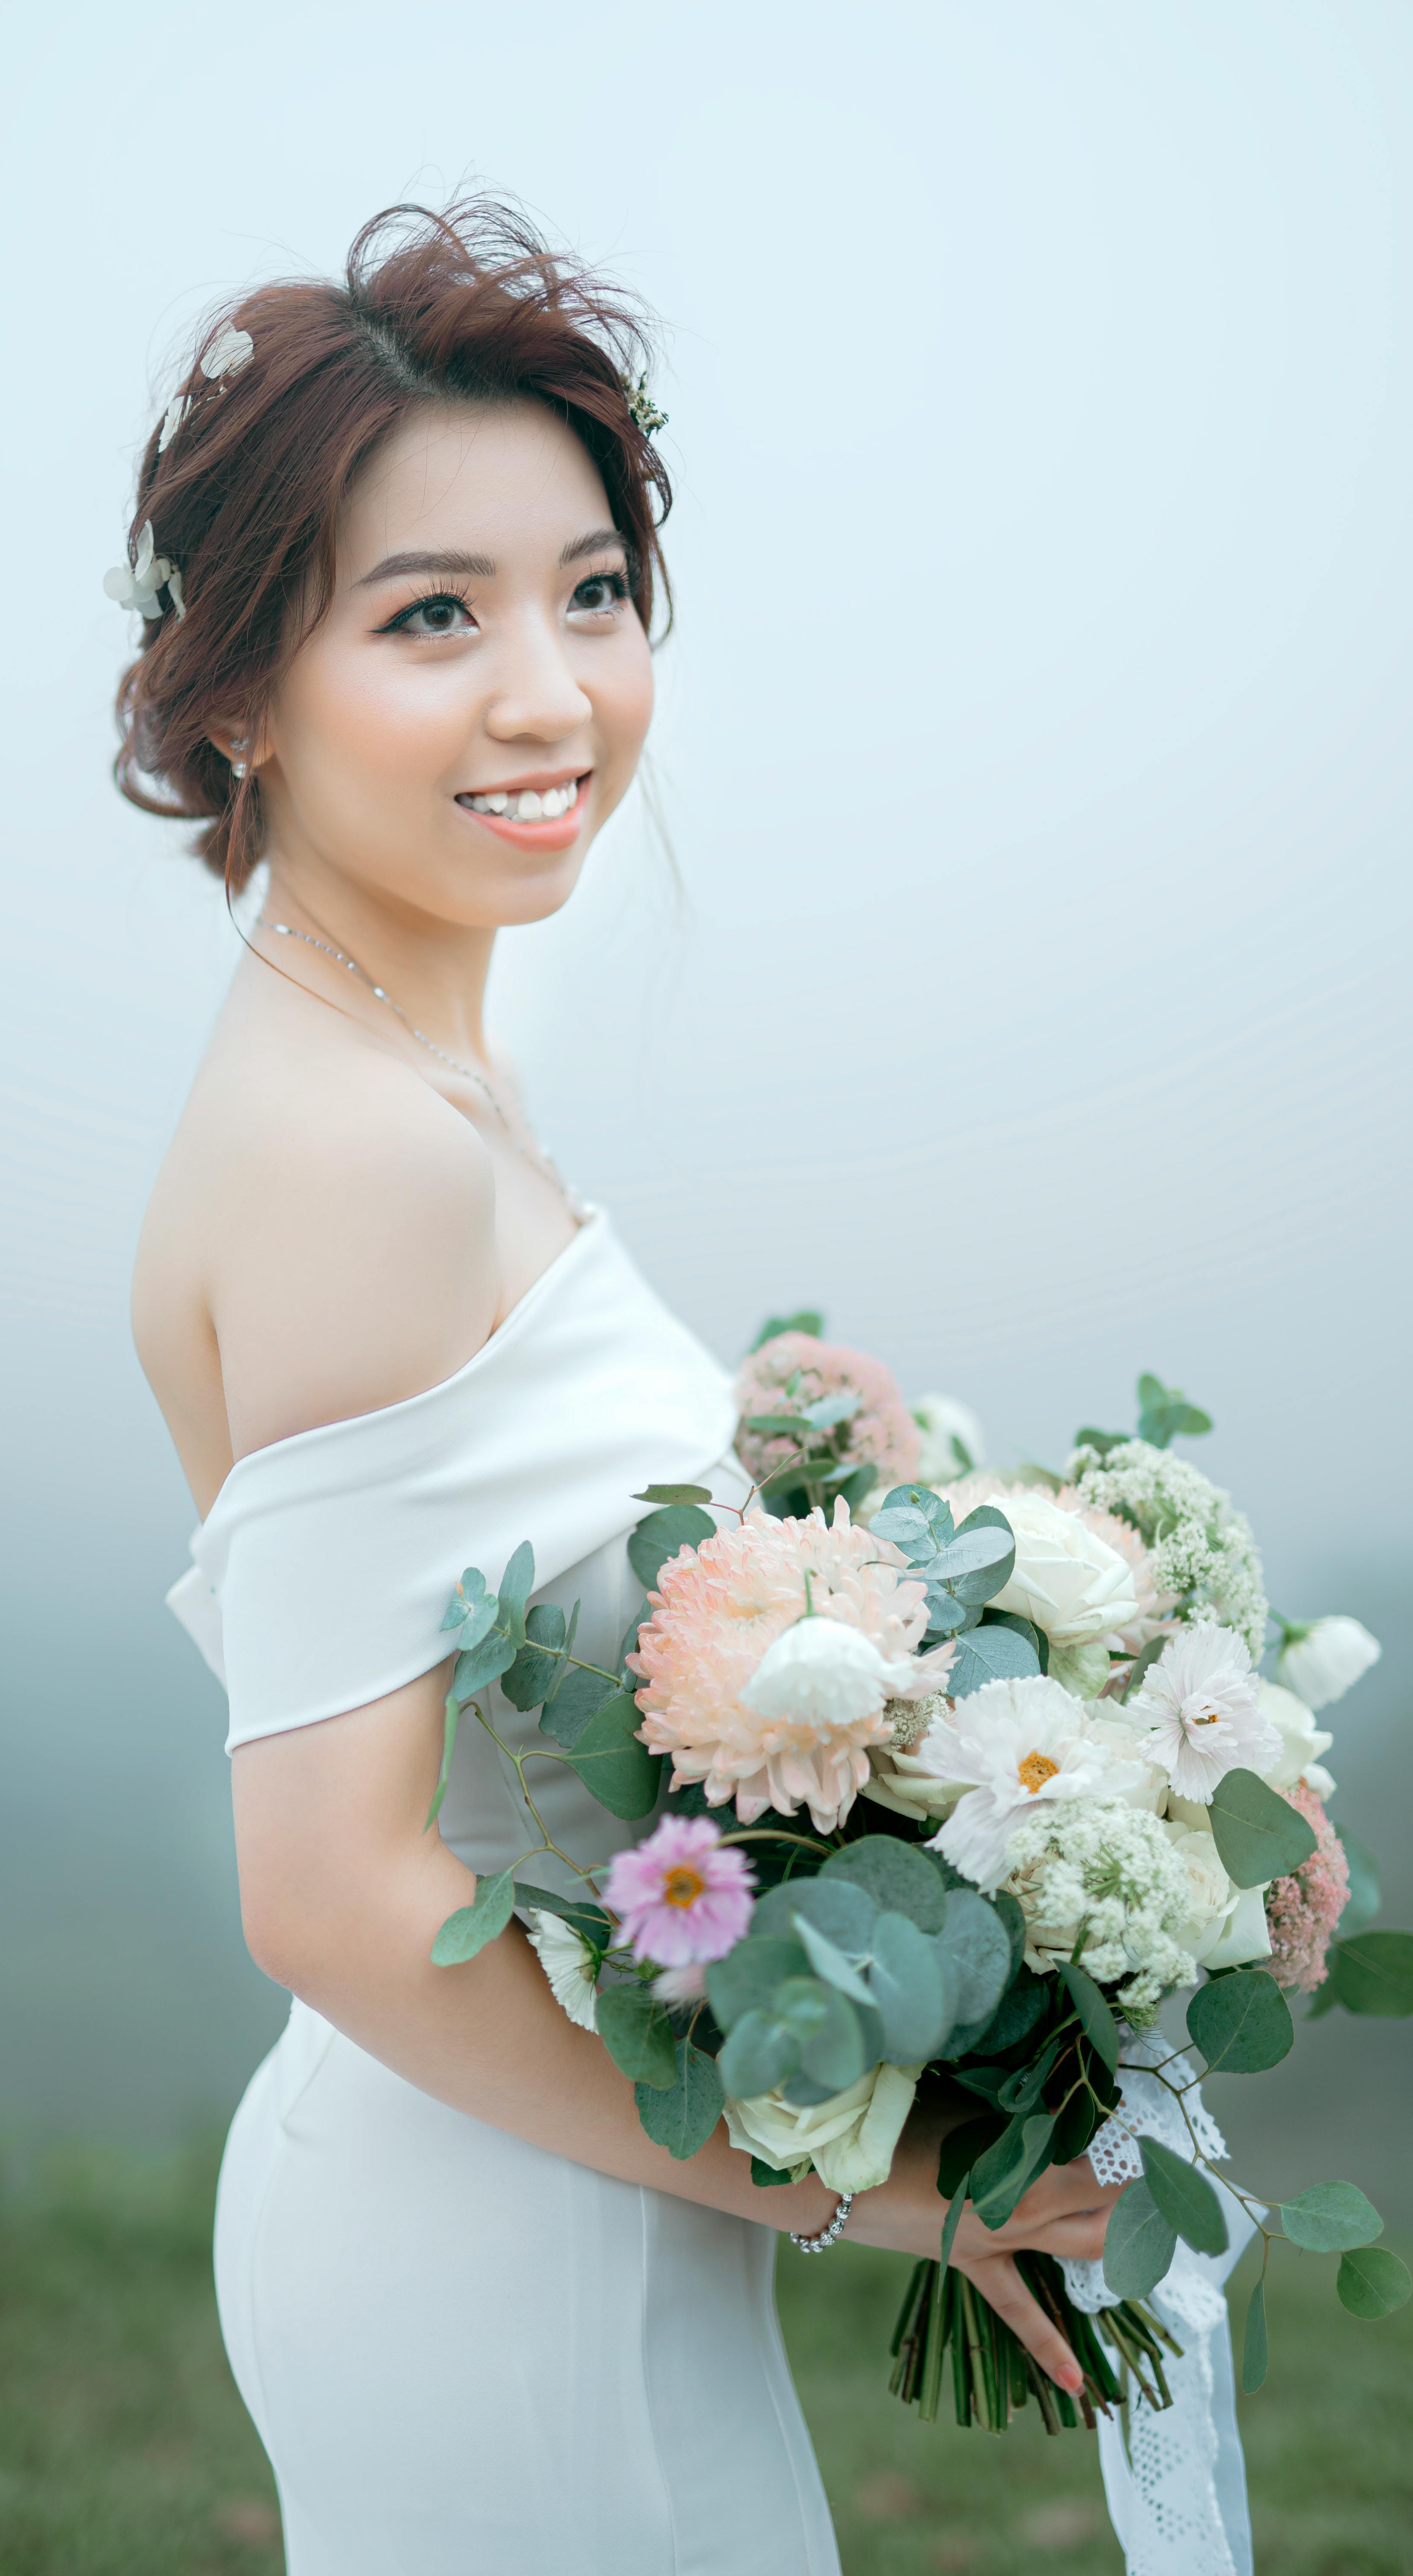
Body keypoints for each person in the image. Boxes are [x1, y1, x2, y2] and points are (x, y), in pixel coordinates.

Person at [119, 200, 1129, 2575]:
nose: (553, 693)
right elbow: (337, 1896)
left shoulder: (396, 1054)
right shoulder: (358, 1150)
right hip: (497, 2261)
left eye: (591, 590)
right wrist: (883, 2185)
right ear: (243, 687)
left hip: (508, 2200)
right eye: (431, 616)